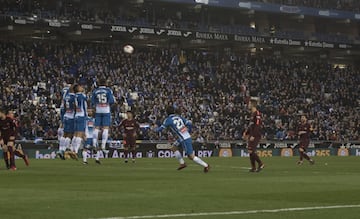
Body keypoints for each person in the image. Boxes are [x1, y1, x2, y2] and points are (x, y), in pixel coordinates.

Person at [155, 106, 210, 173]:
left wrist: (154, 130)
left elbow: (161, 128)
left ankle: (206, 165)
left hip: (184, 139)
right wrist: (187, 131)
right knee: (173, 148)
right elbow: (189, 124)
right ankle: (182, 163)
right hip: (184, 137)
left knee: (191, 156)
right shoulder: (179, 117)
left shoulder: (168, 120)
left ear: (167, 113)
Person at [91, 78, 115, 164]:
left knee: (96, 128)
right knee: (105, 128)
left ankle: (94, 144)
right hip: (106, 110)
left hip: (98, 109)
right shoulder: (108, 90)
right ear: (105, 83)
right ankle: (103, 145)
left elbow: (92, 102)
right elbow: (112, 101)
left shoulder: (95, 91)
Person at [243, 100, 264, 172]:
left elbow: (257, 125)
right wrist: (246, 133)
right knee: (250, 150)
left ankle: (260, 163)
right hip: (252, 134)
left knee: (251, 150)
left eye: (249, 104)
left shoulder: (257, 113)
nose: (248, 105)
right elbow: (251, 125)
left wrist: (254, 135)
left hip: (255, 135)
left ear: (252, 105)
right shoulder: (252, 114)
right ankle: (253, 167)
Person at [58, 85, 78, 160]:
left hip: (66, 115)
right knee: (70, 134)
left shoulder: (66, 96)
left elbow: (65, 107)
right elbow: (75, 107)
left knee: (64, 134)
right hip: (71, 117)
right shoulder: (74, 97)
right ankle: (66, 150)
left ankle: (61, 149)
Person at [72, 84, 87, 160]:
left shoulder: (74, 96)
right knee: (80, 134)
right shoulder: (81, 95)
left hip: (76, 115)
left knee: (75, 134)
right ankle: (76, 151)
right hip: (81, 116)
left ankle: (72, 149)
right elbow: (86, 98)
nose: (82, 87)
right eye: (81, 87)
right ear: (78, 88)